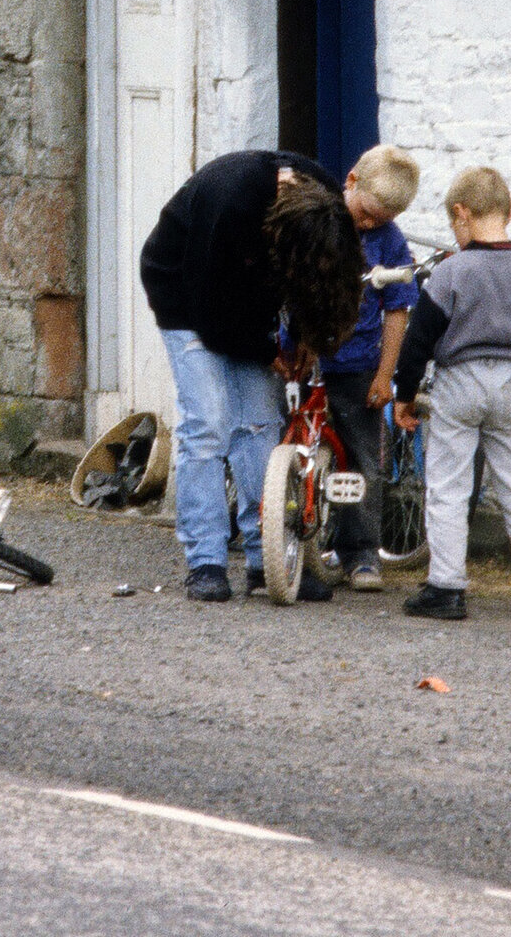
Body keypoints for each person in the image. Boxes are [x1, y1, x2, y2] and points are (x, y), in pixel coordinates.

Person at [140, 149, 364, 603]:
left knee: (261, 423)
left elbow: (315, 277)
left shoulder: (322, 202)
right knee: (208, 423)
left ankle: (268, 558)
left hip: (246, 301)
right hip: (186, 293)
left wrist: (303, 335)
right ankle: (205, 560)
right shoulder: (232, 200)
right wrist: (267, 354)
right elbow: (210, 311)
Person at [391, 166, 511, 621]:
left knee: (450, 485)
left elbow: (418, 340)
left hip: (461, 383)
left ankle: (446, 587)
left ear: (461, 214)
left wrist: (405, 394)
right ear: (507, 212)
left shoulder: (452, 273)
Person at [277, 145, 421, 592]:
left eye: (379, 219)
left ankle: (360, 552)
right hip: (301, 357)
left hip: (358, 365)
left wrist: (386, 374)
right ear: (350, 181)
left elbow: (398, 309)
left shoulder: (389, 241)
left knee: (363, 458)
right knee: (282, 446)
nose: (367, 225)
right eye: (364, 214)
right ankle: (273, 534)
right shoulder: (316, 218)